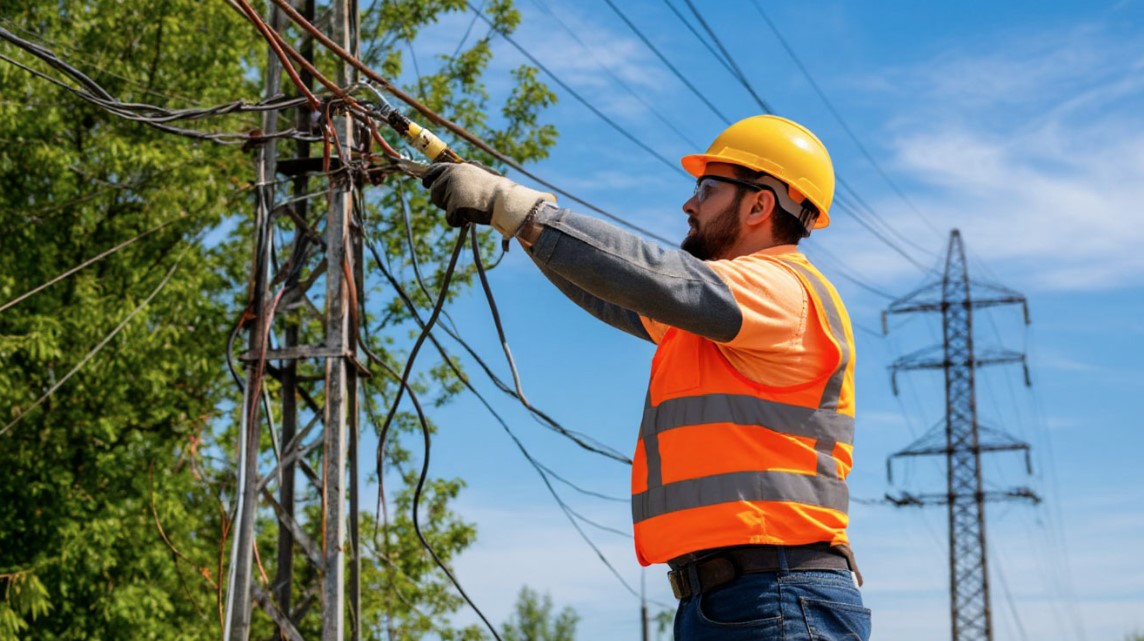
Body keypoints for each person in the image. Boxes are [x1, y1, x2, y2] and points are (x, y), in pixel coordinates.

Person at [422, 114, 870, 641]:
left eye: (706, 188)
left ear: (759, 204)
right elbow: (618, 291)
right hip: (739, 597)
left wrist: (520, 209)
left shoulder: (780, 289)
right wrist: (518, 224)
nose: (689, 204)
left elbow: (656, 280)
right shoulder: (729, 314)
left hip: (774, 593)